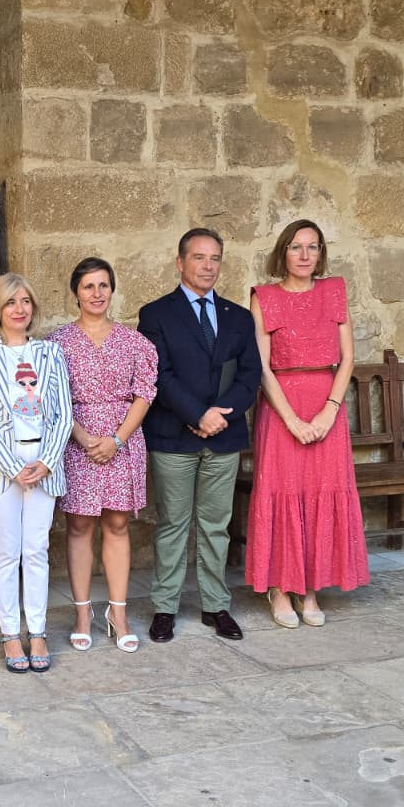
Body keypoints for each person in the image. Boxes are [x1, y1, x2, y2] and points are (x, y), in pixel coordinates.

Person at [136, 228, 261, 644]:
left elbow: (250, 375)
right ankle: (165, 608)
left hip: (223, 437)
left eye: (215, 259)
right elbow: (159, 375)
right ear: (180, 262)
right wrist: (197, 414)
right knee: (173, 524)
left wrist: (221, 416)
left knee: (215, 525)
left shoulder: (238, 317)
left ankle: (215, 605)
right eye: (199, 257)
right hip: (174, 437)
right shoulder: (156, 314)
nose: (208, 266)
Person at [246, 219, 371, 627]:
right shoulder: (264, 297)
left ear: (321, 253)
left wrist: (329, 411)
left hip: (326, 403)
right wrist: (292, 420)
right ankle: (281, 588)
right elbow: (261, 367)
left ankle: (311, 588)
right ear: (282, 252)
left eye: (312, 247)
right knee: (283, 492)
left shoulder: (334, 291)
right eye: (296, 247)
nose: (304, 255)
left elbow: (348, 358)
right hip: (281, 406)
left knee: (320, 491)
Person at [0, 274, 72, 673]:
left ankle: (37, 631)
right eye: (10, 302)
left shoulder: (50, 353)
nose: (19, 309)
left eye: (25, 301)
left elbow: (63, 413)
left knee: (37, 549)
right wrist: (13, 467)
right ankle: (10, 634)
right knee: (7, 550)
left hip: (43, 462)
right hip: (0, 467)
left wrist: (46, 461)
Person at [48, 258, 158, 652]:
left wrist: (117, 439)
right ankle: (82, 613)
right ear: (75, 293)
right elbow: (52, 398)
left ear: (112, 290)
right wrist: (81, 436)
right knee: (79, 526)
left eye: (103, 286)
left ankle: (118, 613)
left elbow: (144, 394)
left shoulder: (135, 342)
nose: (97, 293)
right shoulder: (56, 344)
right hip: (75, 439)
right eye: (88, 286)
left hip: (122, 441)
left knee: (117, 524)